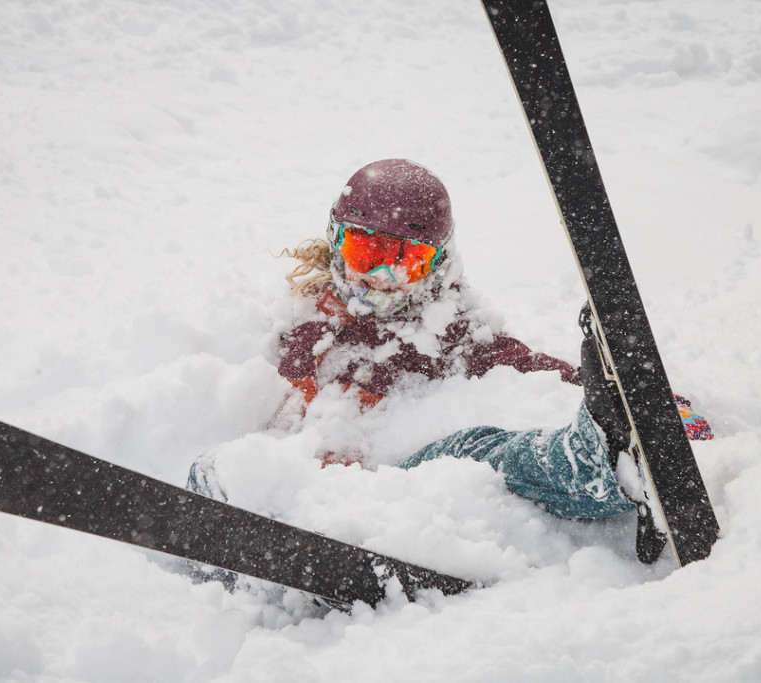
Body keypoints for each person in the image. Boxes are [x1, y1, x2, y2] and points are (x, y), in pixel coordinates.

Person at [188, 158, 708, 561]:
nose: (380, 277)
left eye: (406, 261)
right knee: (211, 469)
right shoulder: (296, 318)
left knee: (475, 452)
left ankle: (604, 457)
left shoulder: (447, 327)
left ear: (437, 264)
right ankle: (241, 528)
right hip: (302, 487)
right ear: (335, 240)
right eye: (366, 253)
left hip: (400, 491)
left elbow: (521, 365)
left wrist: (650, 405)